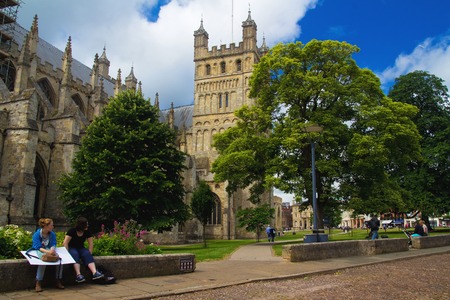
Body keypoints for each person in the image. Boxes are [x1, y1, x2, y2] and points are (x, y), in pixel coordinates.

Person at [63, 217, 104, 283]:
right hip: (72, 247)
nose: (87, 225)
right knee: (75, 254)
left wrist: (90, 252)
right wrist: (67, 253)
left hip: (81, 248)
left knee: (86, 254)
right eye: (86, 224)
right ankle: (78, 275)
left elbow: (90, 243)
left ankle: (94, 272)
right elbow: (65, 242)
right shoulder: (72, 231)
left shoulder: (87, 231)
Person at [31, 218, 64, 292]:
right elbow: (38, 247)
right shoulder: (37, 234)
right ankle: (38, 282)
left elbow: (53, 243)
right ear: (46, 226)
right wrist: (47, 252)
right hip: (41, 250)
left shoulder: (51, 234)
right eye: (51, 225)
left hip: (49, 249)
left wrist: (52, 249)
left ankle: (58, 279)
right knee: (43, 262)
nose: (53, 227)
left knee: (60, 261)